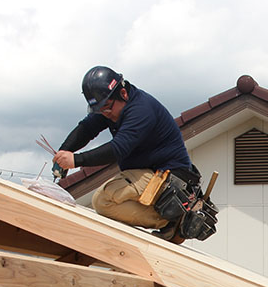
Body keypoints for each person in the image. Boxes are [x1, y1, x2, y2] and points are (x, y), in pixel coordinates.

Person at [52, 66, 214, 241]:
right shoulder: (111, 105)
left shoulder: (141, 110)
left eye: (107, 108)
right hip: (147, 174)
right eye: (100, 111)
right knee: (104, 201)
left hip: (167, 178)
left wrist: (76, 160)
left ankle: (172, 219)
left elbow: (118, 149)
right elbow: (87, 128)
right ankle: (165, 216)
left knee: (103, 199)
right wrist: (64, 151)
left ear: (123, 93)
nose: (105, 114)